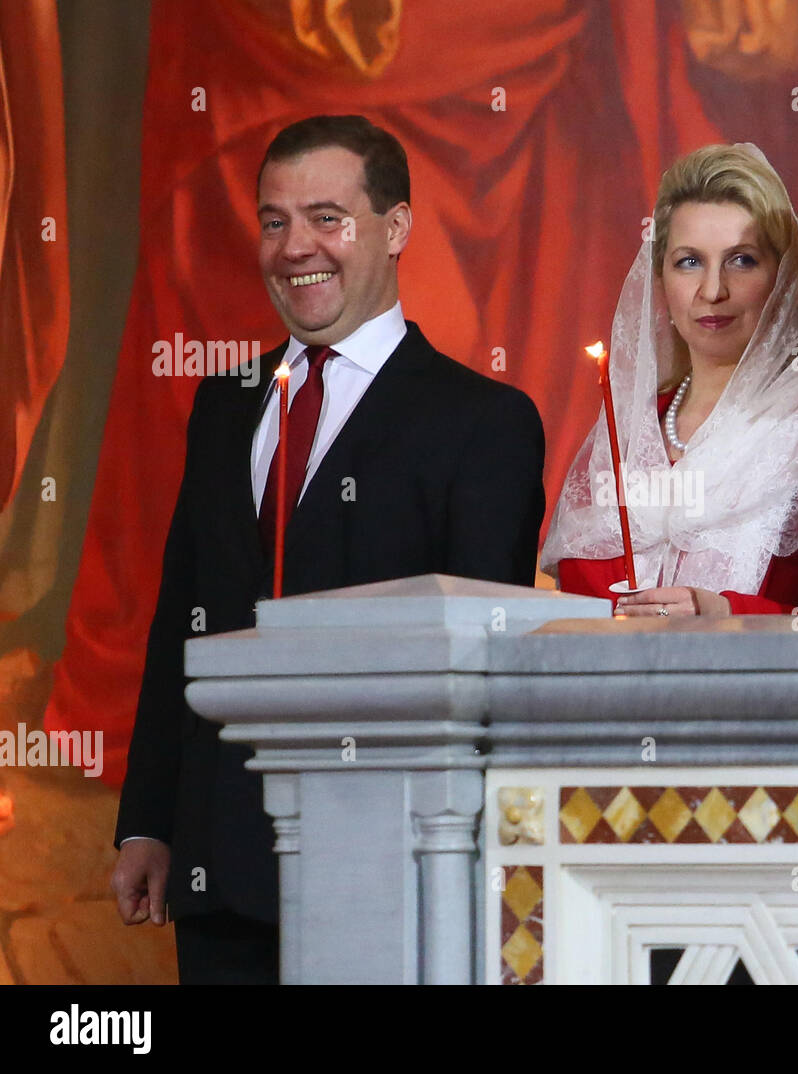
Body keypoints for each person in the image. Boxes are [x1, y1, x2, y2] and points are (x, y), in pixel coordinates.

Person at [109, 115, 546, 983]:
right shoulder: (224, 405)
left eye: (326, 218)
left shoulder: (483, 423)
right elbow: (181, 626)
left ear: (396, 228)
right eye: (274, 221)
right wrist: (148, 820)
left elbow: (482, 678)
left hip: (389, 873)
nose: (294, 246)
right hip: (218, 876)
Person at [541, 143, 798, 615]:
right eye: (689, 261)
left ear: (780, 279)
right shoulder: (629, 431)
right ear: (660, 279)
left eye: (742, 260)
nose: (713, 290)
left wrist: (727, 614)